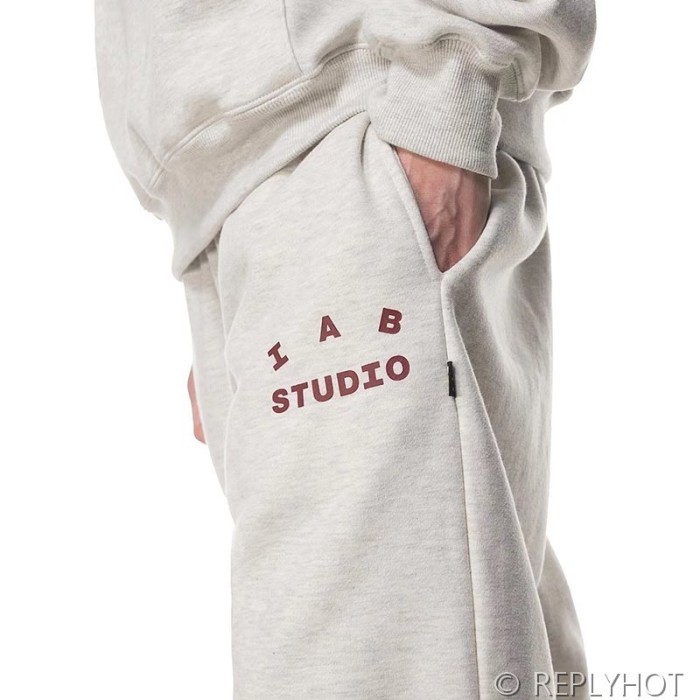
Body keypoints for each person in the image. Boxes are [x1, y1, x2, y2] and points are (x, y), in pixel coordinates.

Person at [95, 1, 597, 698]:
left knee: (384, 666)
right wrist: (222, 254)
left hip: (366, 122)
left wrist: (446, 84)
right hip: (241, 195)